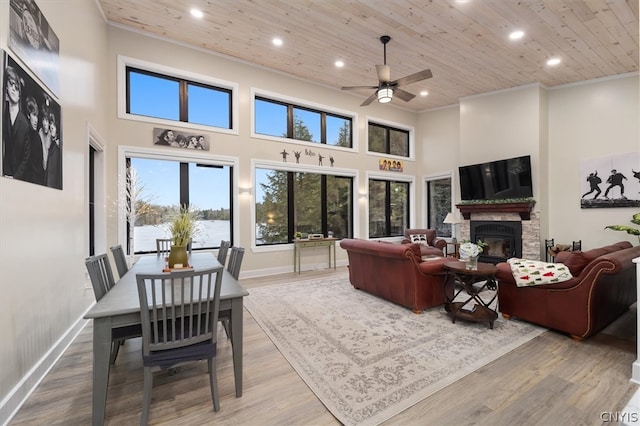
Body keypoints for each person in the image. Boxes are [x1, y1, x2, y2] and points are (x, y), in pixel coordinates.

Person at [2, 65, 31, 181]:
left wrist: (15, 178)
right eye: (11, 84)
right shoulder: (3, 114)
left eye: (16, 87)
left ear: (20, 94)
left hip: (16, 179)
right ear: (7, 88)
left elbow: (26, 157)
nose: (13, 89)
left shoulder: (24, 123)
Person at [25, 95, 45, 184]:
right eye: (34, 115)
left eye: (37, 116)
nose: (36, 120)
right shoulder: (26, 133)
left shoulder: (36, 136)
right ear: (28, 115)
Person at [45, 111, 62, 189]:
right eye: (50, 123)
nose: (51, 127)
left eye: (54, 125)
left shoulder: (59, 146)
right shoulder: (51, 143)